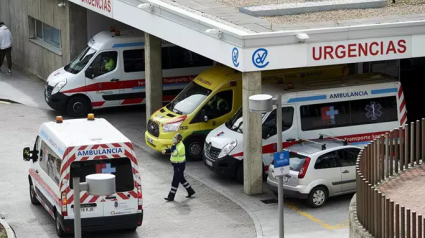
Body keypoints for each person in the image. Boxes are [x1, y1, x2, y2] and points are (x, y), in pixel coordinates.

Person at [162, 133, 195, 201]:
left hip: (179, 165)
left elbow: (174, 152)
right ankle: (190, 191)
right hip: (176, 165)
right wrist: (166, 150)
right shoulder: (176, 144)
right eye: (173, 137)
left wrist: (173, 146)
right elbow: (171, 149)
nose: (173, 139)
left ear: (178, 140)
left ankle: (171, 197)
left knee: (175, 180)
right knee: (181, 179)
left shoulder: (180, 146)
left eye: (175, 138)